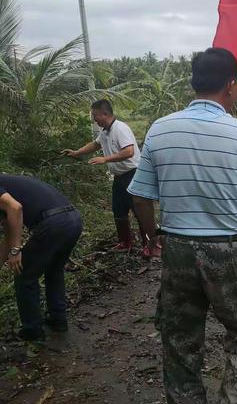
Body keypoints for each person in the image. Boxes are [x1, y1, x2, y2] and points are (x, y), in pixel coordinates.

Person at [128, 48, 237, 404]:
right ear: (231, 85)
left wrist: (152, 237)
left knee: (179, 341)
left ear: (195, 83)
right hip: (230, 250)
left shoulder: (161, 130)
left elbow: (140, 197)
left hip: (177, 248)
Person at [62, 100, 156, 257]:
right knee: (118, 210)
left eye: (95, 115)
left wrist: (105, 159)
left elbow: (129, 151)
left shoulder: (120, 128)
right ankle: (126, 243)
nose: (94, 119)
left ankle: (149, 245)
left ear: (105, 114)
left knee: (139, 211)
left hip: (133, 174)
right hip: (119, 177)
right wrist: (76, 152)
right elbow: (95, 145)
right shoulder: (105, 131)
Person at [0, 174, 82, 341]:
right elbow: (10, 228)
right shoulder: (9, 183)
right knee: (54, 270)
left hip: (54, 223)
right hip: (73, 219)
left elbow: (15, 208)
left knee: (24, 274)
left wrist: (16, 251)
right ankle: (58, 320)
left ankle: (33, 331)